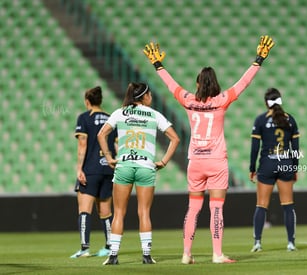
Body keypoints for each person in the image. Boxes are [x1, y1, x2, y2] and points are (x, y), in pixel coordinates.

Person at [143, 35, 275, 264]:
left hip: (195, 161)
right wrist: (258, 60)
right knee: (216, 209)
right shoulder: (222, 100)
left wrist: (158, 65)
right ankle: (217, 254)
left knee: (193, 208)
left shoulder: (187, 100)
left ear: (197, 84)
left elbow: (170, 84)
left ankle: (186, 254)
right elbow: (243, 83)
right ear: (215, 84)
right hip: (216, 161)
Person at [97, 82, 180, 265]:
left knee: (118, 213)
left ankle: (113, 256)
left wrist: (109, 157)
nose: (151, 97)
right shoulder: (154, 114)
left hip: (124, 165)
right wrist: (163, 162)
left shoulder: (120, 112)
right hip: (146, 167)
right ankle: (147, 255)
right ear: (145, 96)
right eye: (150, 94)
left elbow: (101, 135)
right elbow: (175, 138)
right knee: (144, 212)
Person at [249, 88, 300, 253]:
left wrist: (252, 168)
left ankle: (257, 242)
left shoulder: (261, 120)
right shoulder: (290, 120)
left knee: (261, 205)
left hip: (267, 165)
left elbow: (255, 148)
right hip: (285, 163)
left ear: (266, 102)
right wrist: (295, 167)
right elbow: (296, 147)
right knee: (288, 205)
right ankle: (291, 243)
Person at [71, 86, 117, 258]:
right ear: (101, 101)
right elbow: (117, 146)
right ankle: (109, 246)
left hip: (90, 169)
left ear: (87, 101)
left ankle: (84, 249)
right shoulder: (110, 118)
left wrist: (79, 168)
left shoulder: (84, 117)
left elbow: (82, 143)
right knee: (106, 210)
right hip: (108, 169)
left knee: (85, 209)